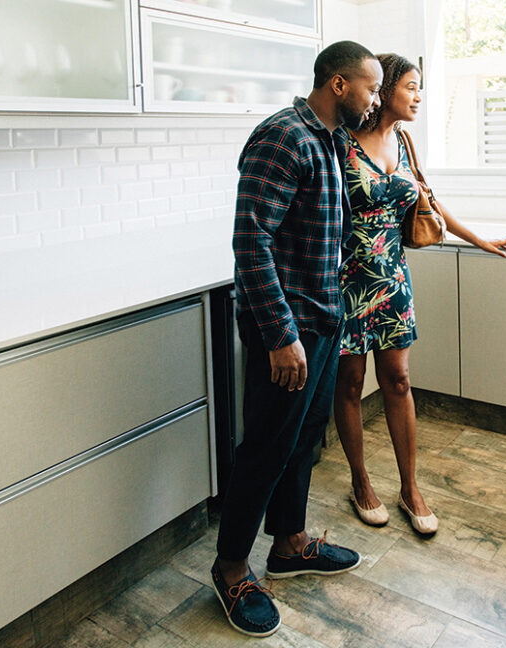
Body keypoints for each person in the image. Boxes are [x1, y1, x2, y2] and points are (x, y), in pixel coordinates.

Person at [213, 41, 383, 637]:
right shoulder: (283, 137)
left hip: (324, 320)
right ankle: (231, 567)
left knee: (303, 442)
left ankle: (289, 545)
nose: (377, 99)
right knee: (265, 446)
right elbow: (250, 242)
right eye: (371, 87)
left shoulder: (331, 140)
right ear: (339, 84)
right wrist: (282, 335)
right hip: (288, 328)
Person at [333, 53, 506, 536]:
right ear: (387, 88)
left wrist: (481, 239)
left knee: (397, 381)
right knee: (350, 386)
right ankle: (360, 482)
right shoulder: (341, 143)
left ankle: (409, 487)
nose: (418, 97)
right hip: (347, 283)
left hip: (393, 281)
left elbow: (431, 204)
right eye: (411, 87)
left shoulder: (405, 142)